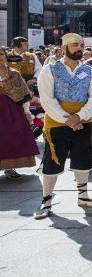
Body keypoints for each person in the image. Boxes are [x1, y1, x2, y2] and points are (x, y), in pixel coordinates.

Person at [35, 33, 92, 219]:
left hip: (82, 122)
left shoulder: (89, 71)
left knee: (83, 159)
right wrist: (68, 119)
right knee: (52, 161)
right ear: (64, 47)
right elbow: (47, 99)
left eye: (81, 45)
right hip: (57, 122)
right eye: (74, 45)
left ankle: (83, 196)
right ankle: (46, 200)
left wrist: (79, 116)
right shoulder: (50, 69)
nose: (79, 48)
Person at [0, 46, 39, 178]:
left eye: (1, 54)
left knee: (13, 137)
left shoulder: (14, 73)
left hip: (13, 111)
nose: (0, 57)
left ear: (6, 56)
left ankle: (10, 167)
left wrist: (27, 112)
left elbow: (24, 95)